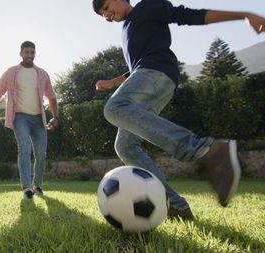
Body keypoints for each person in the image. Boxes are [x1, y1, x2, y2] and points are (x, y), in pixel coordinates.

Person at [92, 0, 265, 220]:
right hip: (148, 75)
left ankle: (204, 150)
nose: (106, 15)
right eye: (102, 15)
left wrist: (244, 14)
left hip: (156, 72)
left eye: (107, 7)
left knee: (114, 107)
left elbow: (189, 15)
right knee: (125, 146)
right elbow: (135, 69)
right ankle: (176, 206)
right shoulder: (128, 28)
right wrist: (111, 82)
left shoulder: (147, 7)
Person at [0, 41, 59, 200]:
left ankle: (37, 185)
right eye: (26, 52)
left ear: (35, 53)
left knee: (41, 154)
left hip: (39, 119)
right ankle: (26, 188)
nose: (29, 55)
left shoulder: (42, 74)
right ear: (21, 53)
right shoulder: (11, 72)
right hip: (20, 118)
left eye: (32, 52)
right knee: (24, 149)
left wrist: (55, 116)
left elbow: (52, 97)